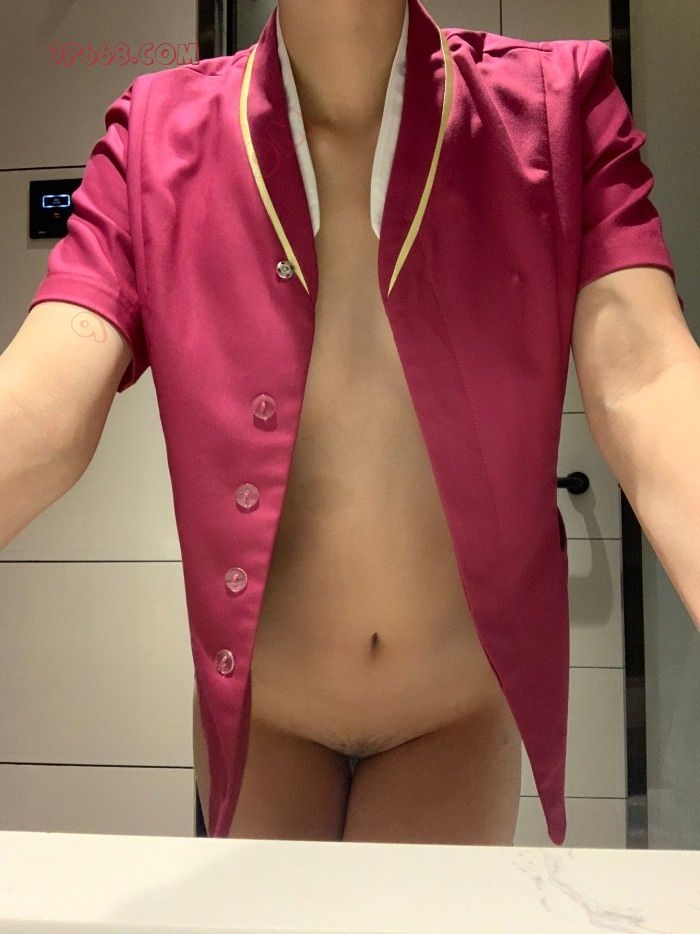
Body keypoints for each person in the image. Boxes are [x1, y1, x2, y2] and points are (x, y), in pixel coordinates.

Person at [2, 0, 697, 847]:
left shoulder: (558, 106)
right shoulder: (153, 134)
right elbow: (41, 406)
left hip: (449, 712)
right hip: (266, 717)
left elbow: (648, 377)